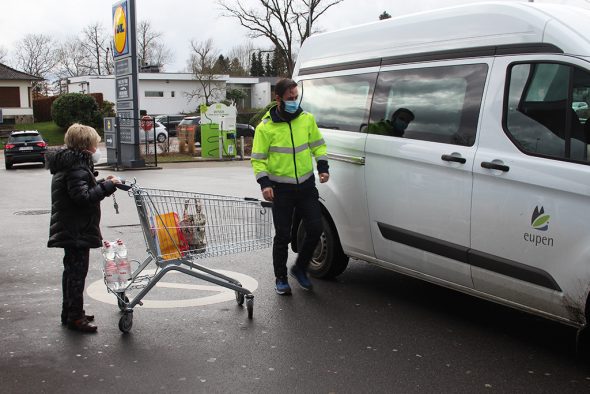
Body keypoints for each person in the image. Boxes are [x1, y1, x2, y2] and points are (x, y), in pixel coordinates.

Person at [251, 78, 329, 295]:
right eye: (290, 98)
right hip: (280, 190)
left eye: (296, 97)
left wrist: (323, 167)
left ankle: (300, 268)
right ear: (278, 99)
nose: (294, 101)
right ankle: (281, 278)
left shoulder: (307, 119)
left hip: (306, 186)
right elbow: (258, 159)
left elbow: (318, 145)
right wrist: (264, 183)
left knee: (315, 228)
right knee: (283, 236)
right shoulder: (266, 127)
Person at [47, 123, 120, 333]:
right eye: (96, 144)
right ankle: (75, 317)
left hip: (72, 228)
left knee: (71, 273)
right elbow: (83, 197)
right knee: (77, 274)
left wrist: (103, 182)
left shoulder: (71, 165)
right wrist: (107, 187)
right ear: (86, 146)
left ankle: (70, 312)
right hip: (76, 230)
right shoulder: (77, 167)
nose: (98, 149)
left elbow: (82, 188)